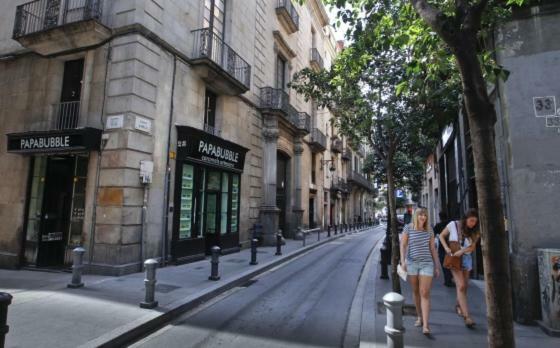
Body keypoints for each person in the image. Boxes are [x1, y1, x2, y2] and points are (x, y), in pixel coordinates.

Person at [400, 207, 441, 336]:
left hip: (426, 263)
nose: (423, 217)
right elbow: (403, 244)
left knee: (425, 292)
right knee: (416, 291)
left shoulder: (429, 230)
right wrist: (403, 261)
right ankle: (419, 316)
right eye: (420, 215)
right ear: (416, 216)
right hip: (412, 263)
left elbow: (433, 249)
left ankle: (426, 325)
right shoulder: (408, 228)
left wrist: (436, 266)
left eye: (425, 215)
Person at [439, 209, 481, 328]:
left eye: (475, 222)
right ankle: (467, 317)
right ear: (465, 219)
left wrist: (462, 251)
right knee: (461, 285)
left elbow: (472, 248)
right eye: (471, 220)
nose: (473, 223)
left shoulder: (475, 231)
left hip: (466, 259)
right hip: (454, 259)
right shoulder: (453, 225)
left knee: (464, 287)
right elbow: (441, 236)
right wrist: (446, 248)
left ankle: (458, 306)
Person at [433, 212, 453, 287]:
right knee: (452, 262)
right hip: (452, 245)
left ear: (440, 217)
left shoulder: (438, 225)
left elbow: (433, 235)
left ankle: (447, 280)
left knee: (444, 263)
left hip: (442, 246)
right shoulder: (450, 223)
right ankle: (450, 278)